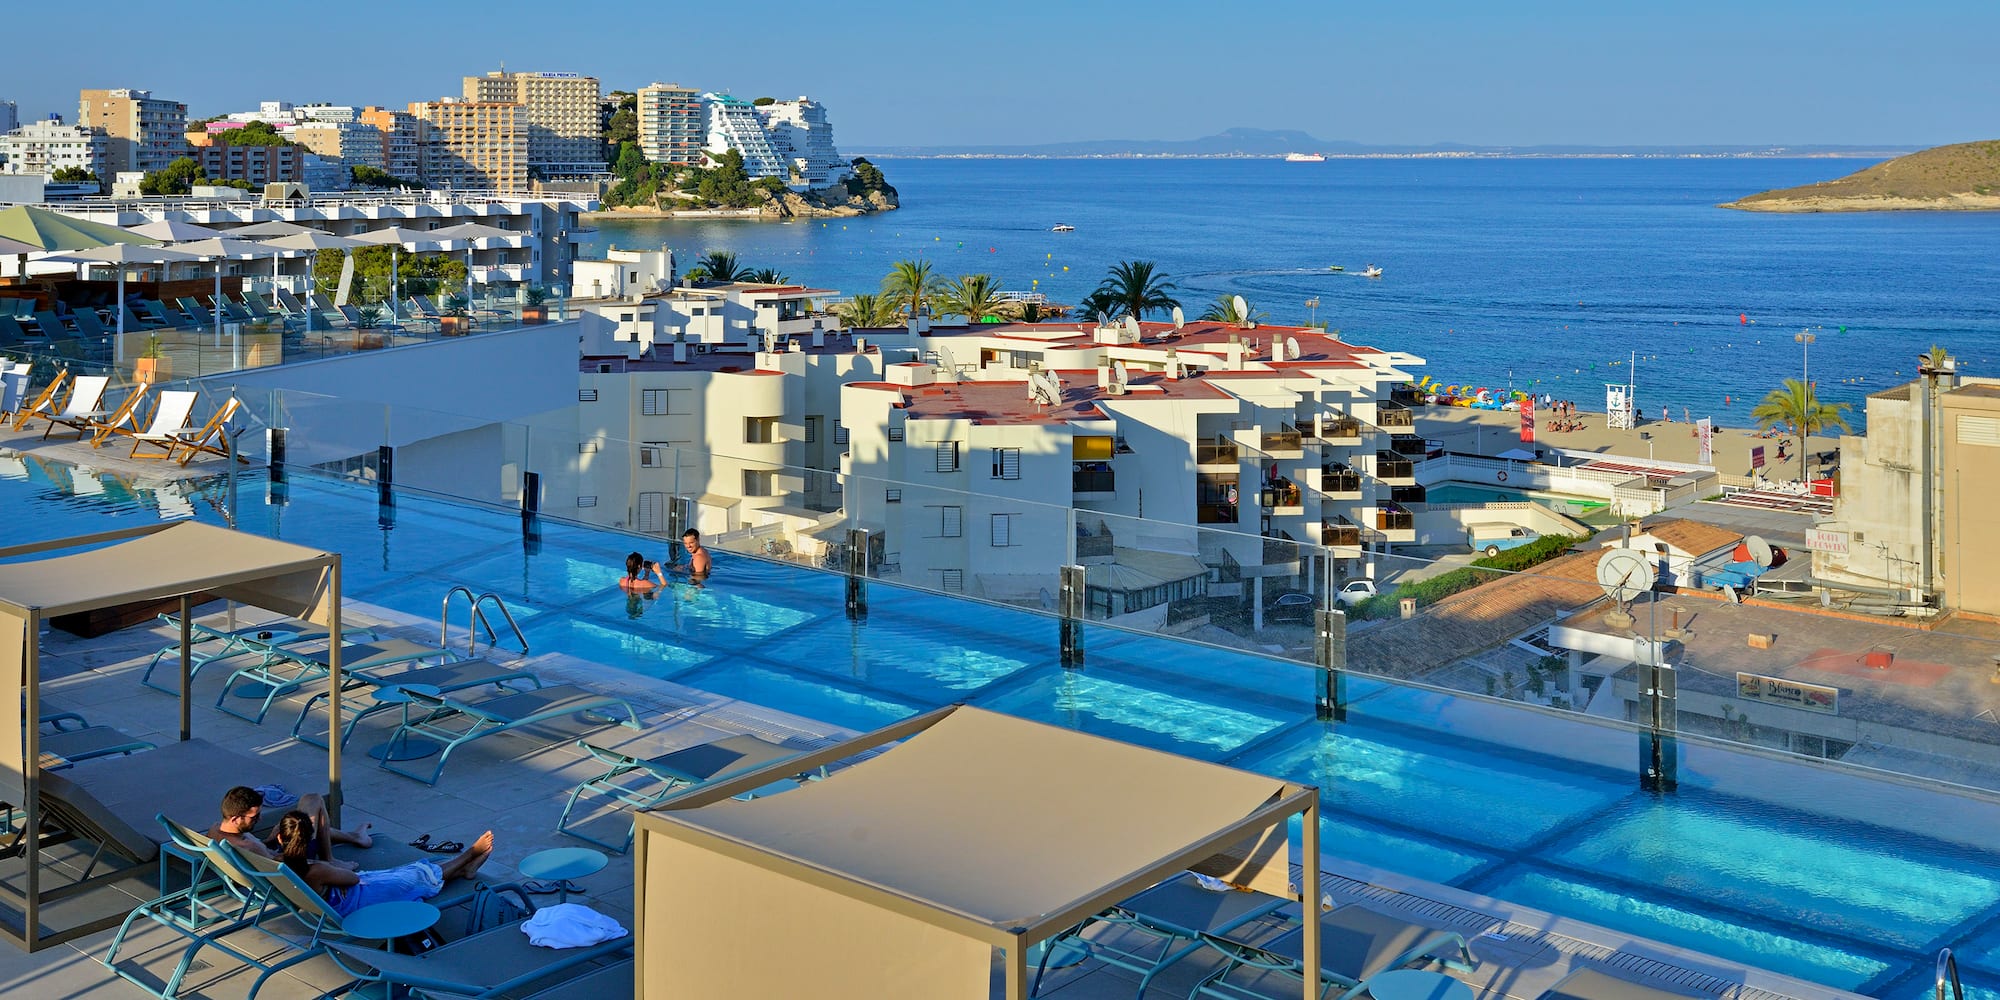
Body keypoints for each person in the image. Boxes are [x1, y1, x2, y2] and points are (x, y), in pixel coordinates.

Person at [275, 811, 492, 917]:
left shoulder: (275, 863)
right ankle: (469, 855)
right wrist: (334, 868)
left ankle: (465, 869)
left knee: (403, 873)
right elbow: (353, 878)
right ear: (309, 840)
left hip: (331, 902)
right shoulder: (315, 870)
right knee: (412, 877)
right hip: (353, 904)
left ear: (279, 839)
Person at [210, 786, 372, 870]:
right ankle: (329, 858)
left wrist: (269, 840)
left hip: (273, 849)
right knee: (312, 800)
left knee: (299, 818)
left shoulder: (215, 830)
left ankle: (355, 837)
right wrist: (325, 867)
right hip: (294, 856)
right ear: (236, 818)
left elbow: (262, 853)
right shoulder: (249, 846)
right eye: (254, 817)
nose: (259, 819)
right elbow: (283, 864)